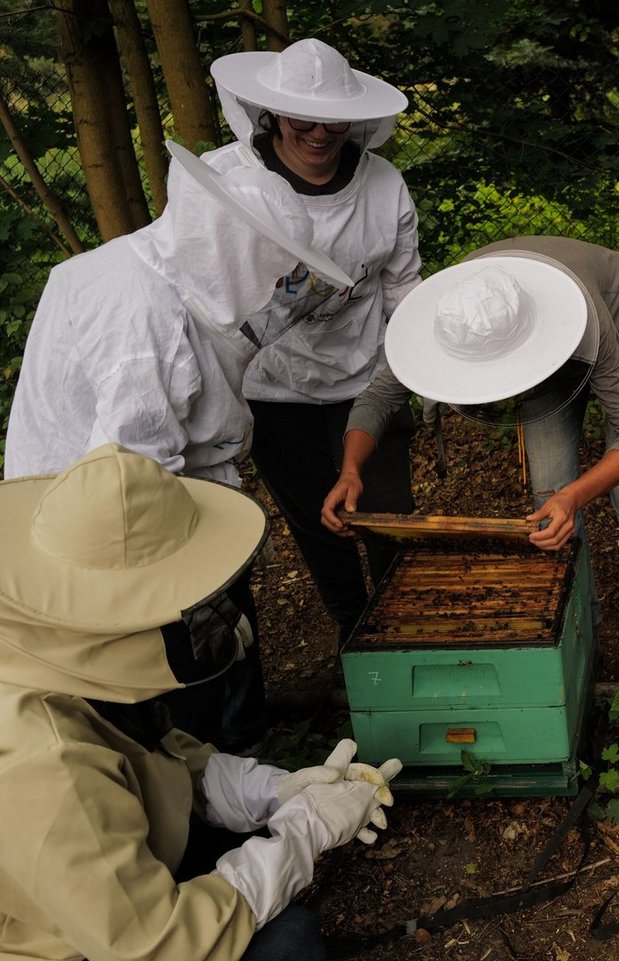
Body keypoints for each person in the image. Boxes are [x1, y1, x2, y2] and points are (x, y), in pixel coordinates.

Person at [4, 141, 353, 754]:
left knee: (225, 631)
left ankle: (242, 746)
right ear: (233, 248)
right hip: (109, 526)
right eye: (273, 267)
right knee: (179, 667)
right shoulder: (143, 323)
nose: (277, 284)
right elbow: (132, 493)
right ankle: (208, 768)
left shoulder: (144, 266)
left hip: (152, 491)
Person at [0, 443, 402, 961]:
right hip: (84, 946)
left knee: (252, 869)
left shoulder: (56, 660)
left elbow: (146, 755)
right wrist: (304, 835)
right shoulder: (43, 765)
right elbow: (157, 945)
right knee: (288, 941)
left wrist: (270, 790)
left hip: (105, 899)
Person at [321, 239, 619, 659]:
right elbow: (378, 399)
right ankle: (582, 633)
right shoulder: (457, 313)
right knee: (548, 495)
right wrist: (350, 471)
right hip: (542, 342)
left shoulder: (581, 313)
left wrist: (575, 495)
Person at [208, 39, 422, 643]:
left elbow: (403, 286)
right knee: (317, 522)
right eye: (303, 119)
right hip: (271, 385)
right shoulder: (228, 181)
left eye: (334, 119)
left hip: (366, 378)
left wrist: (415, 369)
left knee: (386, 514)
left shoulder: (384, 185)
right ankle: (356, 637)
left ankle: (403, 635)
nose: (320, 133)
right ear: (272, 113)